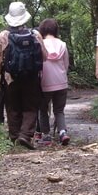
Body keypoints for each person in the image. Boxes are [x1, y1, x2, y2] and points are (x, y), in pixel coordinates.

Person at [0, 2, 46, 149]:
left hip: (10, 78)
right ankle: (25, 135)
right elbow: (44, 56)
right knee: (31, 107)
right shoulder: (35, 35)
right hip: (32, 77)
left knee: (12, 107)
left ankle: (14, 138)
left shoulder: (4, 35)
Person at [38, 18, 70, 146]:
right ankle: (62, 133)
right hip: (61, 82)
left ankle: (46, 136)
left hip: (44, 83)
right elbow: (66, 64)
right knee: (59, 110)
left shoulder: (40, 44)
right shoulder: (62, 44)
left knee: (43, 109)